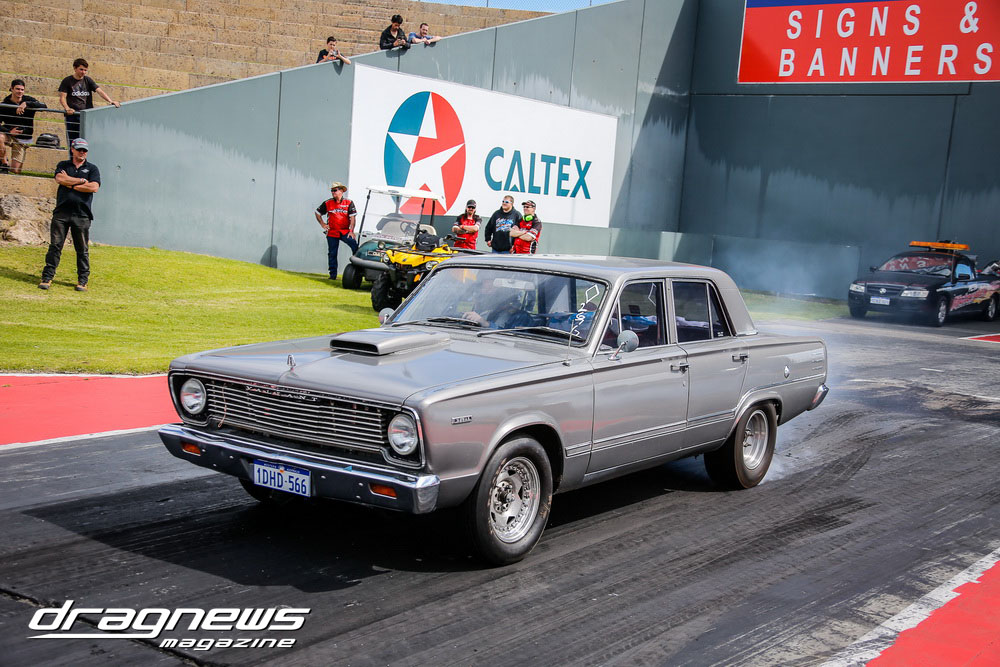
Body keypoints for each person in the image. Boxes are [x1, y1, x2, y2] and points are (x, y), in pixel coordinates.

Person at [39, 138, 101, 291]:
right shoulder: (63, 165)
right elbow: (60, 179)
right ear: (72, 149)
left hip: (82, 215)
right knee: (55, 246)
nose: (82, 152)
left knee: (82, 249)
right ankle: (47, 277)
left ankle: (82, 281)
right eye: (79, 149)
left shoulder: (92, 169)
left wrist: (70, 184)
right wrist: (81, 181)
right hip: (61, 213)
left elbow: (93, 187)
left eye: (84, 150)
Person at [58, 58, 119, 154]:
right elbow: (62, 98)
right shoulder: (67, 81)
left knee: (86, 141)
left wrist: (110, 101)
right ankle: (72, 160)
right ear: (75, 68)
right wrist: (67, 108)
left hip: (86, 116)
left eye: (85, 70)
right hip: (73, 116)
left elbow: (99, 91)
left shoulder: (88, 80)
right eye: (81, 69)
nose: (83, 72)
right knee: (73, 141)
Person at [0, 79, 46, 175]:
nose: (20, 91)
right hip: (9, 135)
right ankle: (4, 163)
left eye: (22, 89)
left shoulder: (28, 100)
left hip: (23, 138)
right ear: (12, 89)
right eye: (17, 89)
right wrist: (9, 131)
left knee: (15, 170)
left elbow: (44, 106)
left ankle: (7, 164)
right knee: (0, 137)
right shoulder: (5, 104)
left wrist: (26, 104)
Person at [315, 181, 358, 280]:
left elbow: (352, 218)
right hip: (332, 232)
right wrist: (322, 224)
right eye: (332, 190)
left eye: (335, 190)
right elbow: (317, 212)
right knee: (332, 253)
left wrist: (351, 231)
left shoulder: (349, 202)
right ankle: (332, 275)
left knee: (354, 246)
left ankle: (357, 269)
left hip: (345, 231)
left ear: (341, 191)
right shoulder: (328, 202)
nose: (333, 192)